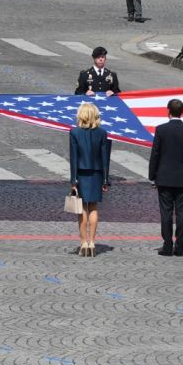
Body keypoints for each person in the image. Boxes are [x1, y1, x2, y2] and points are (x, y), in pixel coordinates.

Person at [147, 98, 183, 256]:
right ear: (182, 111)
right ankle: (180, 246)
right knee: (182, 213)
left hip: (164, 177)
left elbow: (155, 154)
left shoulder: (161, 130)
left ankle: (168, 244)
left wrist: (152, 176)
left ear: (168, 111)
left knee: (166, 213)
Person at [68, 101, 112, 257]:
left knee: (81, 211)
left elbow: (73, 159)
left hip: (80, 173)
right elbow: (105, 158)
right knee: (93, 208)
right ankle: (92, 242)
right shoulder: (102, 133)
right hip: (97, 173)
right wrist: (106, 180)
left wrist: (73, 181)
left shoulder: (74, 133)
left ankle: (83, 243)